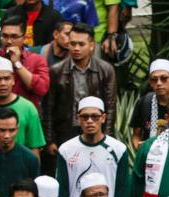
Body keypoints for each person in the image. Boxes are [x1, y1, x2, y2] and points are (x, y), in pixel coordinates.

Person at [44, 25, 118, 168]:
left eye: (81, 44)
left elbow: (110, 106)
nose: (76, 48)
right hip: (66, 130)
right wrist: (49, 139)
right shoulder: (56, 71)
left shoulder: (105, 70)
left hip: (95, 128)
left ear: (91, 46)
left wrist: (106, 137)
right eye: (72, 44)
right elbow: (48, 107)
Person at [54, 96, 131, 197]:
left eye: (95, 116)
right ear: (78, 119)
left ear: (103, 118)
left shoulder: (118, 149)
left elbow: (122, 191)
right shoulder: (66, 150)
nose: (90, 121)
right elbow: (62, 190)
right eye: (85, 117)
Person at [0, 17, 50, 110]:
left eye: (14, 37)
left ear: (24, 38)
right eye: (5, 36)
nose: (9, 41)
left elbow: (42, 89)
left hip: (25, 116)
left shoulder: (37, 60)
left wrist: (17, 63)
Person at [130, 58, 169, 151]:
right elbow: (136, 136)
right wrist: (140, 150)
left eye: (164, 78)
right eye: (154, 79)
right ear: (150, 82)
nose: (159, 83)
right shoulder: (144, 102)